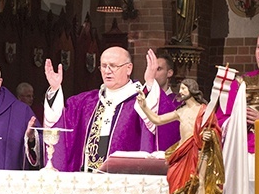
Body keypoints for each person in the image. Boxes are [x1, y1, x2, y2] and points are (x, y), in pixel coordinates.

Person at [42, 47, 178, 172]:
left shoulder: (141, 100)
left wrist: (150, 83)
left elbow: (159, 123)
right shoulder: (85, 102)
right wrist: (55, 91)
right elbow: (60, 125)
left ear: (129, 68)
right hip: (86, 180)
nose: (107, 71)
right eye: (104, 66)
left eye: (113, 66)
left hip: (124, 184)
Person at [137, 78, 224, 194]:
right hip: (182, 151)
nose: (181, 92)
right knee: (174, 177)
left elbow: (216, 130)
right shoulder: (180, 111)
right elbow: (158, 120)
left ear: (192, 90)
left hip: (199, 151)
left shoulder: (205, 111)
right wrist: (144, 107)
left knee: (199, 182)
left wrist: (208, 135)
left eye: (184, 89)